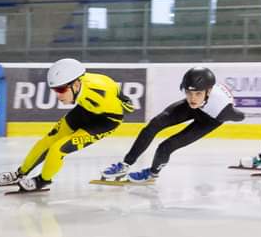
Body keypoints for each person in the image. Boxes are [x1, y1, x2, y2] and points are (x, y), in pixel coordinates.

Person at [0, 58, 134, 192]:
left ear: (75, 85)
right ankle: (20, 173)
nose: (58, 95)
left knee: (58, 149)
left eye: (61, 90)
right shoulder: (81, 82)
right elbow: (110, 83)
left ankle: (43, 180)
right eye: (55, 90)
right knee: (46, 141)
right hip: (85, 110)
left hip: (106, 121)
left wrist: (126, 102)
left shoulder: (101, 94)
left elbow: (115, 92)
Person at [101, 67, 244, 183]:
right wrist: (194, 98)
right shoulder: (189, 94)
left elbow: (241, 116)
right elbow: (192, 98)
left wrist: (230, 116)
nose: (192, 98)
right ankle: (125, 165)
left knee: (166, 146)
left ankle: (152, 174)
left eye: (198, 94)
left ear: (209, 91)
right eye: (189, 93)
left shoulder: (224, 109)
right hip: (191, 109)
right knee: (154, 125)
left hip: (209, 120)